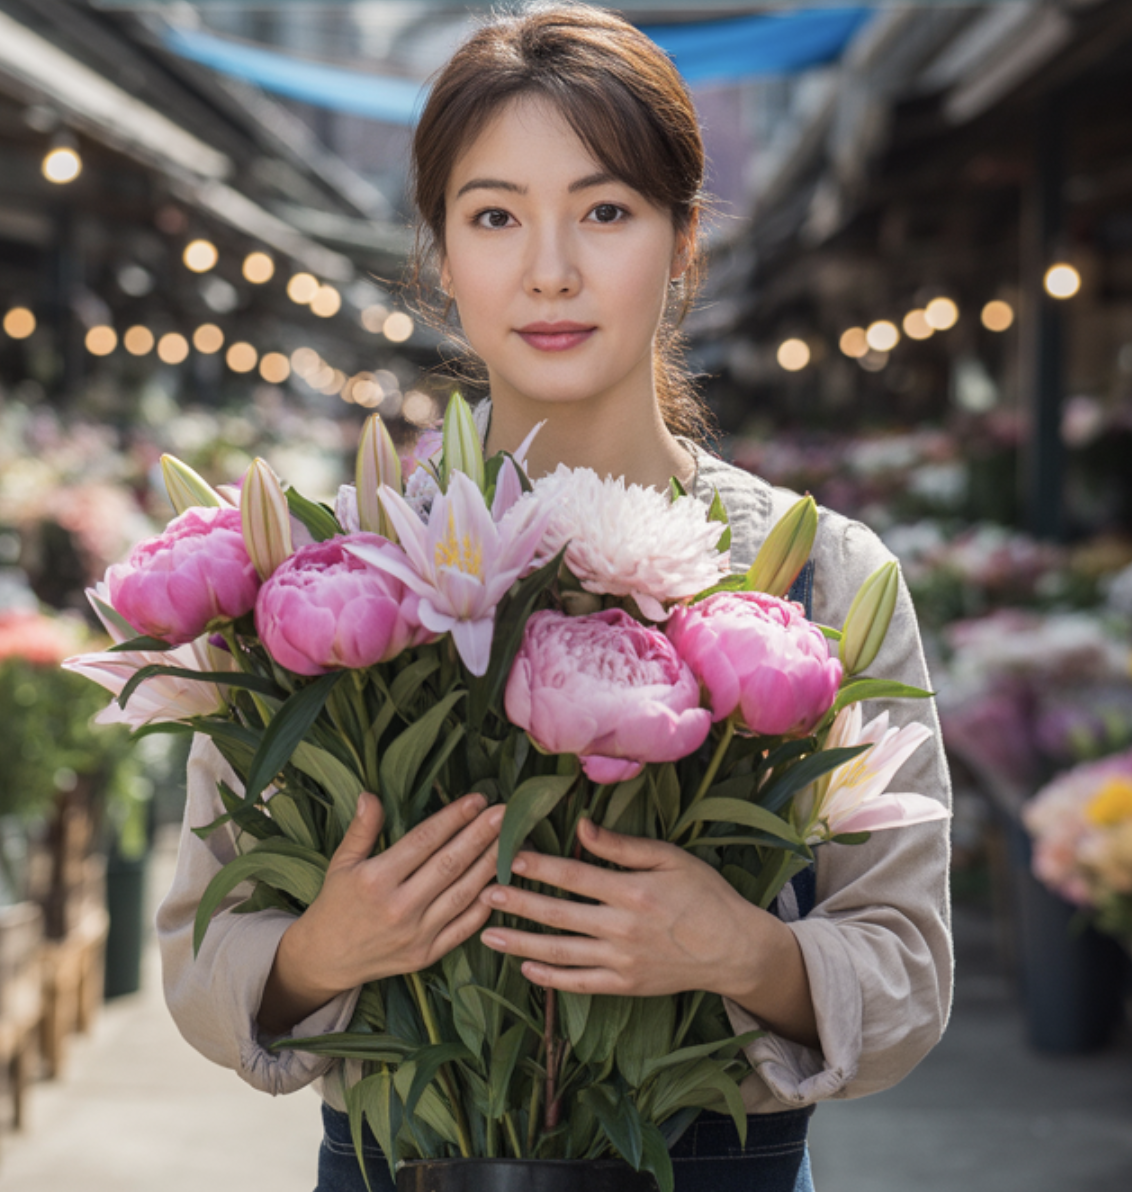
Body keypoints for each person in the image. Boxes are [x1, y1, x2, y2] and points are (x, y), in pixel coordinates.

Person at [157, 5, 953, 1190]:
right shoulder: (340, 577)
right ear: (439, 254)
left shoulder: (823, 577)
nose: (549, 270)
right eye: (493, 216)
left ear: (683, 240)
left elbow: (910, 972)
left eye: (605, 211)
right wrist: (321, 952)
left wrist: (744, 951)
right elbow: (198, 960)